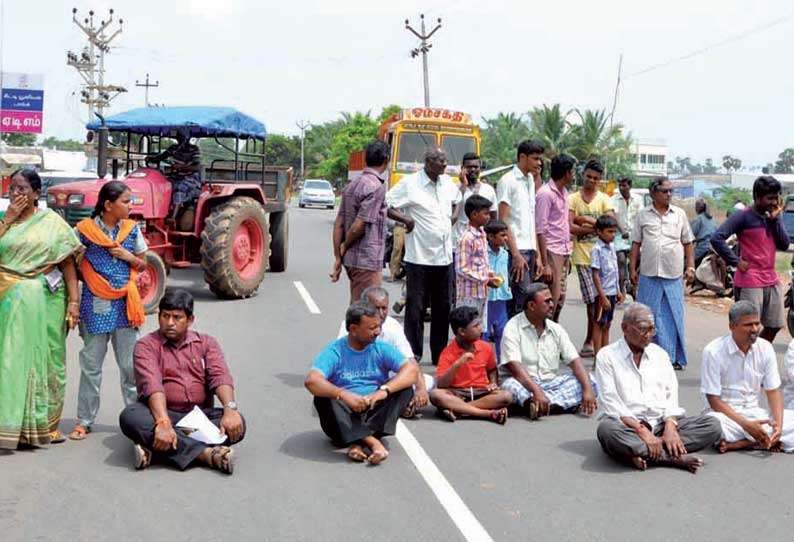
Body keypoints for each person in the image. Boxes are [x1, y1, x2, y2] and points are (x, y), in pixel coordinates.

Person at [119, 289, 245, 473]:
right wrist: (163, 422)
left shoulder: (206, 343)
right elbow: (152, 383)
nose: (170, 323)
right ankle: (207, 454)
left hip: (198, 418)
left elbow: (220, 375)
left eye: (177, 317)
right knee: (130, 417)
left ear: (190, 320)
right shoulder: (146, 346)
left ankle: (155, 449)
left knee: (238, 423)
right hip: (160, 415)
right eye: (165, 316)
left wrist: (230, 408)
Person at [0, 169, 82, 448]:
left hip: (47, 299)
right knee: (9, 361)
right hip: (7, 298)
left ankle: (44, 426)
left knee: (50, 362)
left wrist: (74, 303)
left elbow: (67, 264)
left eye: (22, 189)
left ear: (37, 193)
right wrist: (8, 220)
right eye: (12, 189)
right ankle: (10, 425)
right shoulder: (4, 220)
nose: (16, 195)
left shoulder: (52, 223)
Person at [595, 303, 722, 473]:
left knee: (712, 425)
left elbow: (671, 396)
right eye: (642, 329)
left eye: (652, 329)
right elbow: (611, 402)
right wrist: (641, 430)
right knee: (607, 431)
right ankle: (669, 457)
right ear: (625, 328)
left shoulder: (660, 355)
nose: (648, 335)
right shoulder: (607, 356)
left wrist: (670, 427)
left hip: (660, 424)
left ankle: (639, 452)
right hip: (629, 426)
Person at [69, 181, 149, 441]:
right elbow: (69, 260)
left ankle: (135, 420)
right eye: (126, 201)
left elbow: (143, 264)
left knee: (129, 368)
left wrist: (128, 257)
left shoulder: (132, 230)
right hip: (94, 306)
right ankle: (84, 420)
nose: (130, 205)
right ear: (108, 205)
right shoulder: (84, 231)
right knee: (91, 366)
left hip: (126, 306)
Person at [305, 301, 417, 465]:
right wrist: (343, 395)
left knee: (404, 388)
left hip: (373, 408)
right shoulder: (335, 351)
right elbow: (312, 381)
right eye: (372, 328)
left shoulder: (380, 347)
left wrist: (382, 391)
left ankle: (357, 442)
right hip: (344, 413)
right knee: (323, 397)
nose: (377, 332)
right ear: (353, 330)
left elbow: (411, 370)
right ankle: (373, 442)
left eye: (378, 327)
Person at [386, 148, 461, 365]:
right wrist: (406, 220)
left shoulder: (447, 183)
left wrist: (453, 218)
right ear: (428, 162)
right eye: (440, 161)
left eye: (446, 161)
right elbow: (388, 204)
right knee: (416, 307)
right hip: (419, 258)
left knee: (443, 307)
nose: (444, 165)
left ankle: (439, 354)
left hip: (444, 257)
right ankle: (414, 353)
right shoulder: (411, 183)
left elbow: (458, 200)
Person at [701, 300, 794, 453]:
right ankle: (761, 439)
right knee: (713, 427)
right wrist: (748, 426)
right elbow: (714, 400)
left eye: (757, 324)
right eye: (748, 325)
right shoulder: (713, 351)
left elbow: (773, 391)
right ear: (732, 326)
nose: (755, 329)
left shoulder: (765, 348)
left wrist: (778, 425)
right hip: (726, 418)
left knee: (783, 422)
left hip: (755, 414)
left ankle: (745, 442)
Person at [499, 283, 598, 420]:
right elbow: (515, 369)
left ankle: (540, 406)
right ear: (532, 306)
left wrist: (587, 390)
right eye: (547, 301)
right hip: (524, 382)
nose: (552, 305)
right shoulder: (512, 327)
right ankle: (554, 403)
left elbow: (575, 362)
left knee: (591, 381)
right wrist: (537, 391)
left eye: (551, 300)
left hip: (551, 382)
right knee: (509, 386)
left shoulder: (556, 329)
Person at [711, 176, 789, 343]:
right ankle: (743, 358)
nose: (774, 202)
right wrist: (735, 261)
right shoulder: (743, 216)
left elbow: (784, 244)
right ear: (757, 197)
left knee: (774, 325)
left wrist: (775, 220)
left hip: (770, 277)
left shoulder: (774, 216)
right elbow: (717, 238)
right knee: (748, 326)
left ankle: (756, 353)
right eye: (770, 198)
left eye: (776, 197)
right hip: (750, 279)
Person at [630, 177, 695, 370]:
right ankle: (644, 354)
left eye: (670, 191)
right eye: (664, 191)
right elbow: (636, 244)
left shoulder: (679, 214)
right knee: (647, 316)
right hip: (649, 273)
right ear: (653, 194)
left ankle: (672, 357)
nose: (669, 195)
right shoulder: (643, 215)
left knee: (672, 315)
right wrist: (632, 269)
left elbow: (688, 242)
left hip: (673, 274)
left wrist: (690, 266)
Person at [336, 286, 431, 418]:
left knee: (426, 381)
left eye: (384, 308)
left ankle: (396, 404)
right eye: (376, 308)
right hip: (358, 379)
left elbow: (410, 362)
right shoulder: (352, 326)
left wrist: (421, 390)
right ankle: (396, 406)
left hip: (387, 382)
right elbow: (341, 361)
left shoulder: (393, 327)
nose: (381, 313)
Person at [330, 140, 390, 303]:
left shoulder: (352, 184)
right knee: (365, 313)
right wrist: (344, 246)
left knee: (360, 307)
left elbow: (339, 224)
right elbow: (360, 225)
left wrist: (338, 256)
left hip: (352, 260)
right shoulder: (376, 186)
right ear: (386, 160)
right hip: (367, 260)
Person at [430, 306, 512, 423]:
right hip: (458, 393)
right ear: (462, 331)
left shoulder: (485, 347)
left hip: (481, 391)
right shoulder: (448, 352)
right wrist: (458, 363)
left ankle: (458, 409)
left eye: (479, 324)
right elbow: (442, 384)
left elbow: (492, 370)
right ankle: (486, 413)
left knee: (506, 396)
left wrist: (493, 382)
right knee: (436, 395)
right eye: (475, 326)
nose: (481, 329)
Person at [568, 158, 614, 356]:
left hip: (604, 260)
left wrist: (585, 221)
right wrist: (591, 224)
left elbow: (610, 224)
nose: (591, 181)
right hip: (582, 256)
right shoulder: (573, 199)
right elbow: (569, 226)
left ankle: (593, 343)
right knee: (592, 301)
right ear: (583, 175)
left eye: (595, 178)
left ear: (600, 180)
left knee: (599, 303)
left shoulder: (604, 199)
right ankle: (592, 342)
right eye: (588, 177)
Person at [496, 139, 545, 316]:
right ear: (522, 157)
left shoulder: (530, 180)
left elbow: (531, 220)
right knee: (521, 301)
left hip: (530, 249)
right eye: (535, 158)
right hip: (516, 250)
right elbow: (504, 219)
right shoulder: (508, 181)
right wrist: (515, 254)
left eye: (540, 159)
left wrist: (538, 255)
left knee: (527, 300)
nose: (539, 163)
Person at [535, 153, 575, 321]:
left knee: (560, 300)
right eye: (573, 171)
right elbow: (540, 229)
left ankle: (552, 333)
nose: (574, 175)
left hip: (563, 250)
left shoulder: (564, 192)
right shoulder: (546, 194)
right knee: (551, 300)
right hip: (551, 251)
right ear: (567, 173)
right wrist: (545, 264)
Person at [456, 194, 499, 319]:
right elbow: (462, 269)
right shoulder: (467, 238)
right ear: (474, 215)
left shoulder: (482, 235)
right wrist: (485, 279)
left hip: (482, 293)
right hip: (468, 295)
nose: (488, 217)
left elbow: (482, 261)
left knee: (478, 329)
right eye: (485, 214)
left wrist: (490, 274)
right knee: (468, 328)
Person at [145, 132, 202, 226]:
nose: (179, 138)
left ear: (187, 138)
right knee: (162, 186)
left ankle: (172, 218)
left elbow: (197, 168)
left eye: (181, 137)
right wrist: (151, 159)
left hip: (190, 178)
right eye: (178, 136)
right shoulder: (173, 148)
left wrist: (181, 167)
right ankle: (157, 213)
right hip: (175, 176)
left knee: (180, 188)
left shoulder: (194, 149)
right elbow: (160, 157)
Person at [451, 153, 497, 255]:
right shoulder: (454, 188)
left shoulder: (488, 190)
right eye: (469, 167)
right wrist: (463, 186)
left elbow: (493, 218)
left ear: (480, 168)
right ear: (462, 168)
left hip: (481, 246)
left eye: (475, 167)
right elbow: (451, 212)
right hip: (458, 245)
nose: (472, 170)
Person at [591, 215, 624, 356]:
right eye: (609, 232)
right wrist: (602, 296)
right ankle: (598, 355)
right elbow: (596, 274)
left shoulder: (611, 247)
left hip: (612, 291)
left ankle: (606, 353)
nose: (612, 235)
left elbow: (615, 270)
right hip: (602, 293)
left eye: (614, 232)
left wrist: (618, 290)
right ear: (599, 231)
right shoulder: (597, 249)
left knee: (607, 324)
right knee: (599, 324)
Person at [483, 220, 512, 361]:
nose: (505, 238)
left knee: (502, 330)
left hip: (501, 297)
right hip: (487, 296)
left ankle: (503, 361)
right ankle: (484, 362)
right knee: (485, 331)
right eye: (502, 235)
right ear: (490, 237)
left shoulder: (505, 254)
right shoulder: (483, 252)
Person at [611, 177, 643, 298]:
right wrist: (622, 230)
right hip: (620, 235)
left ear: (630, 186)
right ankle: (621, 286)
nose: (622, 188)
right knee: (621, 259)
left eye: (624, 185)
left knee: (637, 260)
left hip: (634, 235)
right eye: (620, 185)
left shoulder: (638, 199)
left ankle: (633, 285)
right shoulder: (614, 199)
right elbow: (614, 216)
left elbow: (640, 217)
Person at [690, 198, 717, 267]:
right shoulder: (713, 219)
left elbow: (690, 236)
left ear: (698, 208)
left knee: (686, 262)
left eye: (696, 206)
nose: (695, 208)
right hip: (713, 248)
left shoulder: (698, 219)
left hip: (702, 249)